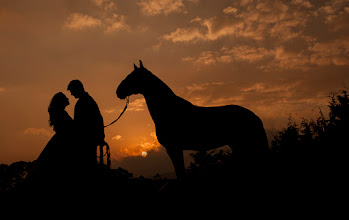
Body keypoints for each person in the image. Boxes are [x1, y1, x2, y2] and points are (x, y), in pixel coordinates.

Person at [26, 92, 78, 193]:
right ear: (61, 101)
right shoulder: (61, 113)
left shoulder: (58, 112)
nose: (68, 99)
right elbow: (70, 127)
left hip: (59, 140)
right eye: (65, 98)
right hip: (63, 142)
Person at [67, 80, 105, 174]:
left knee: (86, 168)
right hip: (87, 140)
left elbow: (97, 119)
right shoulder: (86, 100)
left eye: (72, 91)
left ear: (77, 89)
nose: (71, 94)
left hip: (85, 141)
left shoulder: (85, 101)